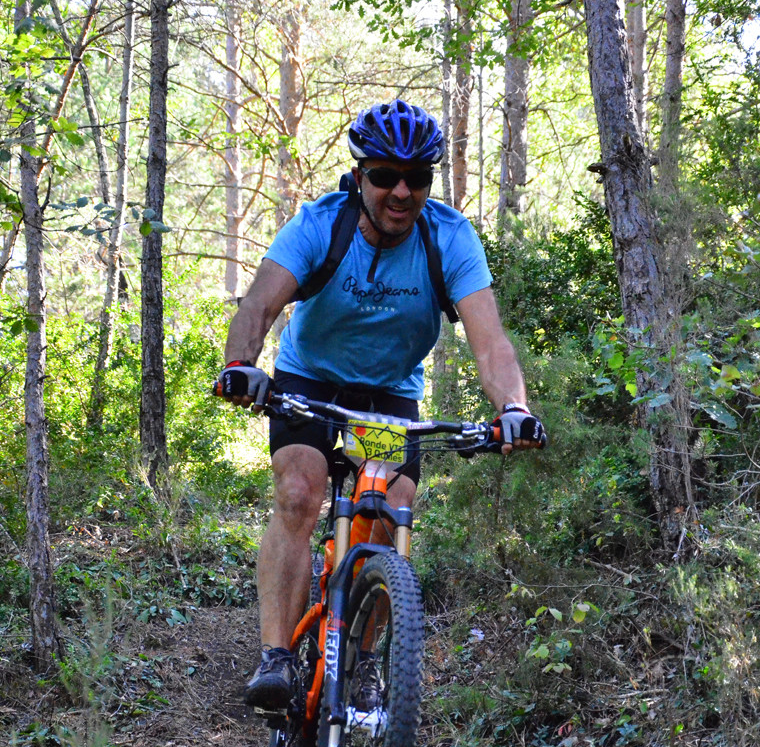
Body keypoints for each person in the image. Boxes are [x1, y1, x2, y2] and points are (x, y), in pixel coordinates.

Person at [216, 99, 546, 712]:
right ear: (359, 175)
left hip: (389, 396)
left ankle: (363, 662)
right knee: (298, 494)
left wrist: (514, 408)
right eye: (385, 175)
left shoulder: (448, 237)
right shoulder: (320, 224)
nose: (401, 190)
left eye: (417, 178)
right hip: (307, 382)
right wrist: (241, 367)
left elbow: (491, 341)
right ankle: (277, 657)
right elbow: (259, 304)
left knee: (390, 510)